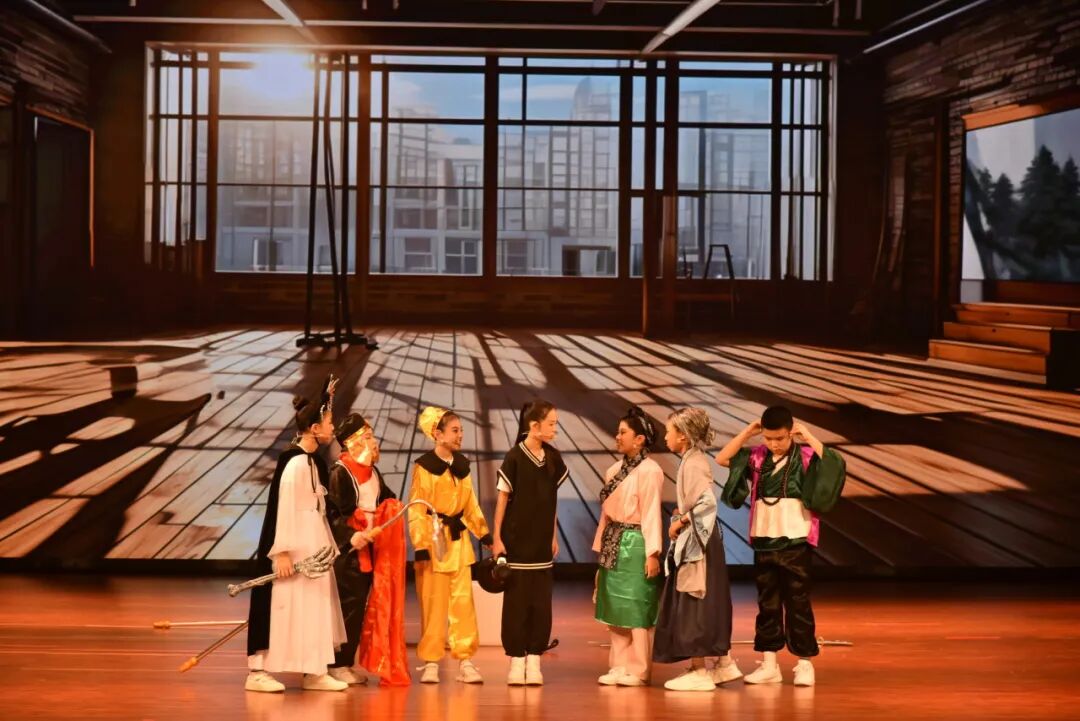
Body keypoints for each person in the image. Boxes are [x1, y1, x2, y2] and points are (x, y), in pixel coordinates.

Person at [717, 405, 846, 687]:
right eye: (768, 438)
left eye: (780, 438)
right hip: (764, 538)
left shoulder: (806, 455)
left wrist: (808, 435)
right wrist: (748, 432)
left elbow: (834, 464)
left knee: (798, 602)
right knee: (768, 603)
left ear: (790, 433)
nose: (774, 444)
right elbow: (723, 458)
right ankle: (769, 664)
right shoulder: (756, 457)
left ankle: (804, 663)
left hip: (795, 538)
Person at [245, 379, 348, 693]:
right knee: (284, 605)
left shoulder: (312, 461)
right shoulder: (294, 464)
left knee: (312, 604)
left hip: (312, 543)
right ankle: (258, 671)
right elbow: (284, 509)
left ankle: (314, 669)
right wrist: (282, 551)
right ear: (315, 428)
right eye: (328, 422)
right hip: (295, 544)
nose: (333, 427)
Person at [653, 408, 740, 691]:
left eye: (669, 432)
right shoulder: (692, 460)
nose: (666, 437)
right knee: (705, 596)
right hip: (702, 535)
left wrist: (680, 522)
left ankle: (700, 668)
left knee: (695, 598)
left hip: (698, 539)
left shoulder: (693, 463)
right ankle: (722, 663)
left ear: (683, 436)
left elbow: (706, 503)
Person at [408, 406, 492, 685]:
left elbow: (471, 505)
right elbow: (417, 508)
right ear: (438, 434)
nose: (460, 435)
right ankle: (431, 661)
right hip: (434, 542)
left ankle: (465, 660)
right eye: (455, 430)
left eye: (461, 430)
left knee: (463, 604)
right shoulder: (424, 467)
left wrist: (485, 535)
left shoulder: (462, 466)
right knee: (433, 604)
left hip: (459, 544)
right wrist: (420, 544)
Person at [491, 399, 568, 685]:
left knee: (540, 602)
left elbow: (553, 500)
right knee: (517, 602)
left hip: (541, 545)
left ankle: (535, 658)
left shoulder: (554, 459)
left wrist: (553, 534)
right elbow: (502, 500)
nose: (555, 429)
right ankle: (517, 660)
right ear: (534, 426)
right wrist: (497, 537)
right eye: (551, 424)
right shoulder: (514, 457)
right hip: (516, 542)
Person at [593, 406, 664, 687]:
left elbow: (651, 512)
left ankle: (639, 669)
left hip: (636, 542)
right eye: (618, 432)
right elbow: (605, 515)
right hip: (613, 540)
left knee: (636, 605)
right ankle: (619, 665)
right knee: (615, 607)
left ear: (639, 439)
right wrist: (600, 548)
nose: (617, 436)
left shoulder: (650, 471)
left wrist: (653, 553)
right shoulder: (613, 470)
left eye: (623, 432)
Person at [324, 413, 396, 685]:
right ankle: (335, 663)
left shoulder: (373, 472)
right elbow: (332, 513)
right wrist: (351, 535)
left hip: (370, 546)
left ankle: (346, 661)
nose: (373, 442)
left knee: (358, 606)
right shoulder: (340, 473)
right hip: (348, 552)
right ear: (351, 443)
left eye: (371, 436)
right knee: (347, 606)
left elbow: (386, 498)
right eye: (367, 437)